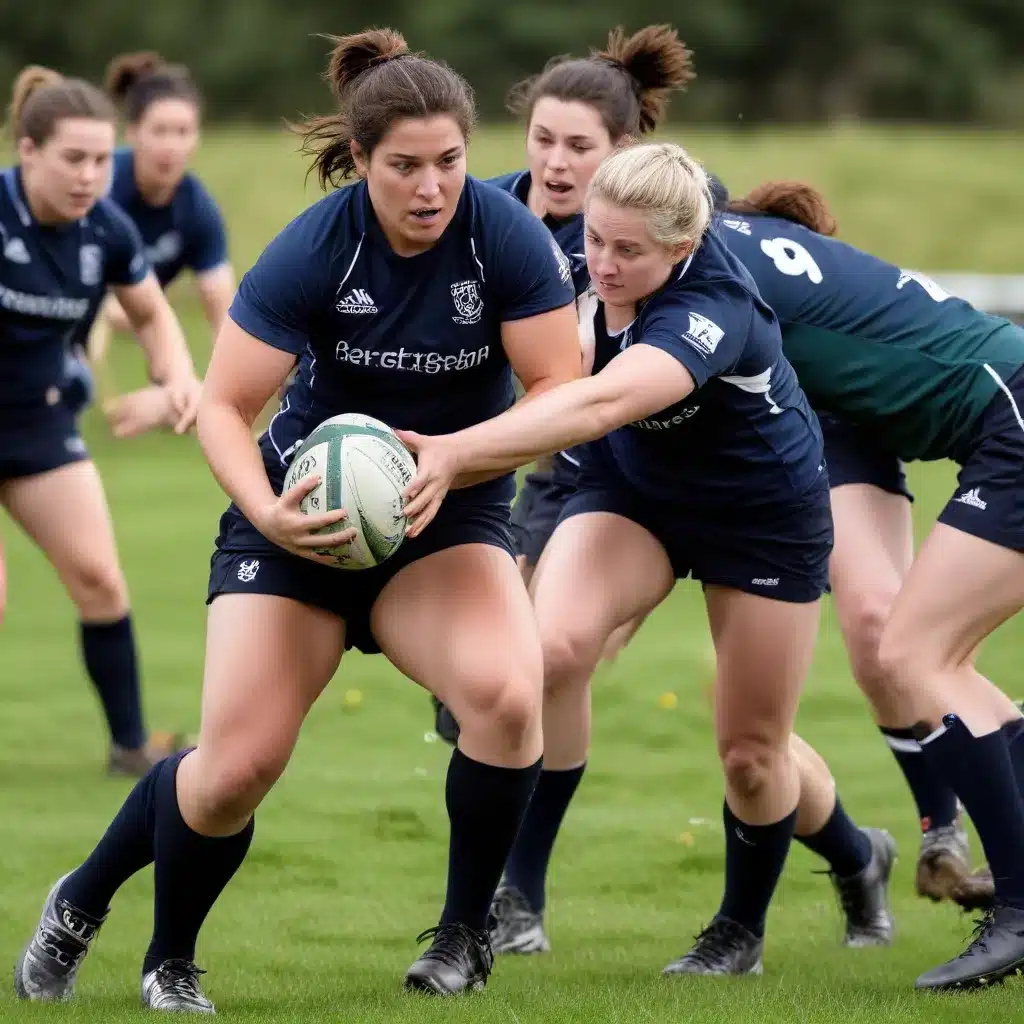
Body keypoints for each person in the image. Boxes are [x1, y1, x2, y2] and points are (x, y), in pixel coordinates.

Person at [14, 28, 580, 1010]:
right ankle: (123, 927)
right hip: (299, 524)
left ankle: (460, 936)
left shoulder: (506, 238)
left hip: (443, 517)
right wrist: (268, 515)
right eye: (404, 166)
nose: (431, 186)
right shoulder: (317, 249)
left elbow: (559, 390)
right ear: (360, 160)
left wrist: (457, 458)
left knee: (506, 696)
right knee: (233, 770)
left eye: (449, 161)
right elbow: (228, 407)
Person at [399, 141, 895, 976]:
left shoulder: (714, 305)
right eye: (595, 240)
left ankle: (769, 910)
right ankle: (505, 901)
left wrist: (455, 453)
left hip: (762, 517)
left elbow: (601, 400)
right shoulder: (575, 258)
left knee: (750, 750)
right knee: (547, 654)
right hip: (635, 497)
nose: (604, 263)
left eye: (629, 250)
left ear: (683, 247)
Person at [715, 183, 1024, 989]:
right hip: (1007, 419)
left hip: (1013, 418)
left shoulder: (722, 272)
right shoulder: (781, 291)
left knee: (918, 652)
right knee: (917, 651)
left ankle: (1018, 909)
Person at [430, 23, 726, 745]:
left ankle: (515, 854)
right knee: (512, 678)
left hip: (645, 471)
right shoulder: (485, 218)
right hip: (544, 461)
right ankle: (852, 848)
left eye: (579, 147)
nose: (555, 163)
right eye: (542, 139)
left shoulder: (664, 226)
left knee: (539, 668)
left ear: (623, 152)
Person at [0, 66, 201, 776]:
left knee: (100, 581)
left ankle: (128, 749)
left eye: (98, 159)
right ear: (28, 151)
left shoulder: (105, 228)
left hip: (38, 425)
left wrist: (175, 379)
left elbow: (152, 314)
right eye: (72, 159)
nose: (90, 176)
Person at [87, 51, 234, 438]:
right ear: (132, 132)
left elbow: (225, 315)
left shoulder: (198, 209)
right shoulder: (96, 189)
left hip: (144, 307)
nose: (171, 145)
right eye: (160, 131)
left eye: (183, 131)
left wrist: (209, 396)